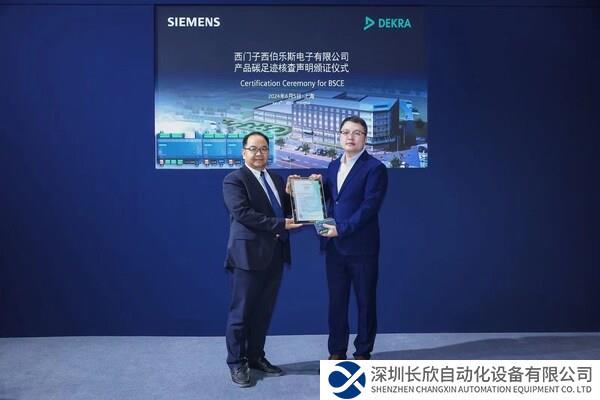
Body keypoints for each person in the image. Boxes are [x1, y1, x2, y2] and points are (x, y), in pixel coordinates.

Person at [223, 131, 301, 387]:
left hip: (275, 255)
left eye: (264, 149)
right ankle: (237, 362)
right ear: (243, 152)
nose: (259, 154)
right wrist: (281, 224)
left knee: (263, 312)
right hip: (247, 256)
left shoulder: (276, 179)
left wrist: (296, 192)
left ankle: (255, 356)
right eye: (254, 149)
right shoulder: (234, 180)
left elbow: (284, 210)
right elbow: (243, 213)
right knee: (241, 313)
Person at [313, 116, 388, 361]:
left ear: (365, 138)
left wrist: (342, 229)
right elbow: (332, 199)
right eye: (345, 132)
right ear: (339, 135)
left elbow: (369, 207)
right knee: (337, 302)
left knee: (365, 302)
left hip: (362, 248)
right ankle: (337, 350)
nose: (350, 137)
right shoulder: (333, 165)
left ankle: (363, 351)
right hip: (334, 247)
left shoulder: (374, 168)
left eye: (356, 133)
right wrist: (313, 186)